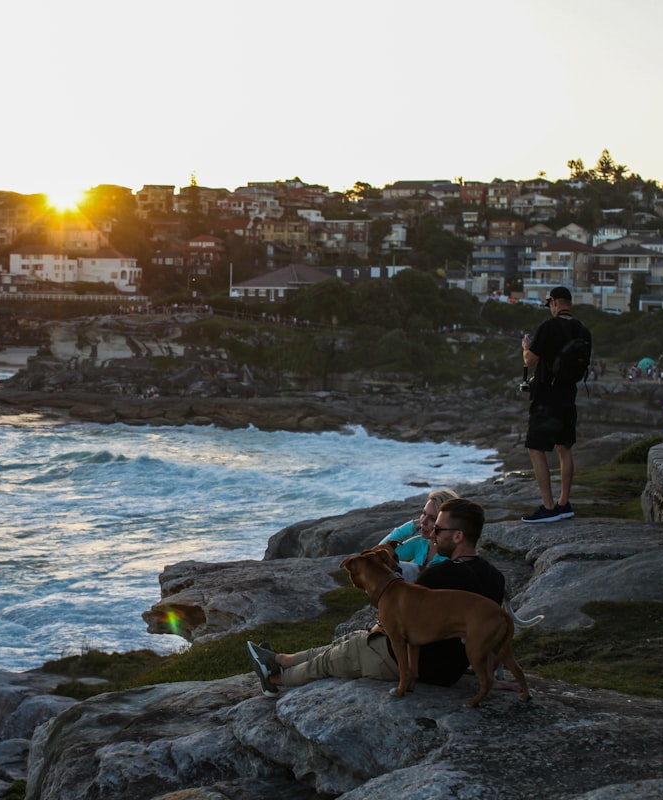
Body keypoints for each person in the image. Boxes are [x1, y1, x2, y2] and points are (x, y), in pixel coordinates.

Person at [247, 498, 508, 696]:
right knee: (353, 639)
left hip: (403, 662)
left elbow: (399, 625)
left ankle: (274, 681)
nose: (430, 532)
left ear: (458, 535)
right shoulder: (495, 577)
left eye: (438, 528)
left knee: (334, 659)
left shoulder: (438, 576)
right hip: (448, 671)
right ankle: (282, 659)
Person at [520, 286, 591, 523]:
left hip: (546, 398)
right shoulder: (583, 330)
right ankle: (564, 503)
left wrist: (526, 347)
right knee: (564, 448)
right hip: (569, 396)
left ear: (555, 303)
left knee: (535, 447)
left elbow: (530, 360)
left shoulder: (548, 328)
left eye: (550, 304)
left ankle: (548, 507)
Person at [379, 488, 459, 575]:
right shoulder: (420, 543)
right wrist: (413, 525)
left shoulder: (452, 556)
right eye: (424, 513)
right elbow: (380, 554)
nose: (424, 521)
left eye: (433, 518)